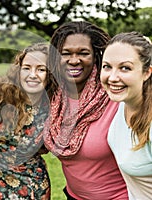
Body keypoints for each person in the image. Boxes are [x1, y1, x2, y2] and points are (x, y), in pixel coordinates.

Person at [43, 21, 128, 199]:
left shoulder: (115, 97)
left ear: (97, 55)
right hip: (74, 196)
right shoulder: (53, 97)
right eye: (66, 53)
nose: (74, 60)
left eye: (83, 53)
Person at [0, 43, 54, 200]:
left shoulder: (53, 105)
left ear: (50, 74)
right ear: (19, 70)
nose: (32, 74)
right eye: (27, 68)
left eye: (41, 69)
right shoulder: (2, 94)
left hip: (34, 186)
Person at [100, 31, 152, 199]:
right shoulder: (121, 103)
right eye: (107, 66)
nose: (113, 77)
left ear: (146, 72)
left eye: (125, 68)